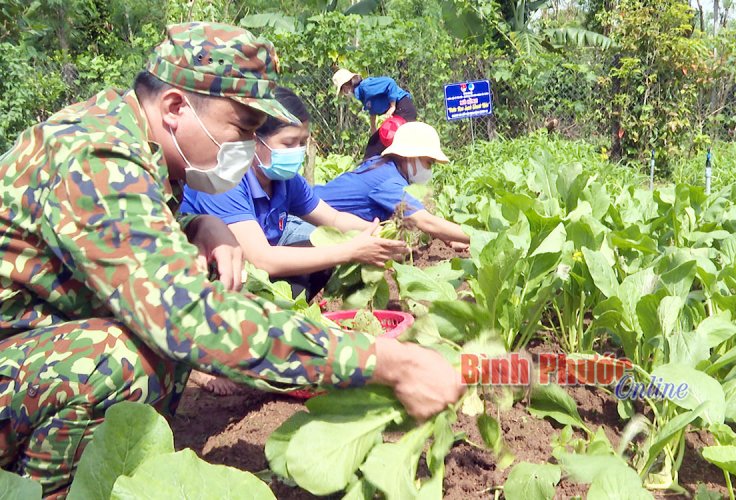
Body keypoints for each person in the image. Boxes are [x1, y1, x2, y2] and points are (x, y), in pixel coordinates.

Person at [0, 23, 463, 498]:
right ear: (177, 107)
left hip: (28, 347)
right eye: (241, 129)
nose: (246, 147)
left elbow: (110, 251)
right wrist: (384, 361)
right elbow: (186, 317)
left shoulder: (135, 141)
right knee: (113, 358)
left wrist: (198, 227)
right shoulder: (98, 155)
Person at [180, 87, 408, 394]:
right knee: (319, 256)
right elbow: (262, 258)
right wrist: (350, 251)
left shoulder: (286, 180)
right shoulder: (226, 180)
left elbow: (335, 220)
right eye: (289, 143)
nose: (297, 152)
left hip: (253, 273)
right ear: (254, 141)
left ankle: (269, 336)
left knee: (320, 251)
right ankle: (200, 359)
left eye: (302, 143)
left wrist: (374, 232)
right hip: (204, 274)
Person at [315, 121, 471, 250]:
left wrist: (449, 240)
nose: (430, 170)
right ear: (411, 156)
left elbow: (413, 219)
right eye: (429, 163)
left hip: (316, 218)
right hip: (306, 224)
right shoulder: (389, 181)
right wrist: (478, 237)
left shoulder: (383, 166)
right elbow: (425, 222)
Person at [332, 68, 417, 159]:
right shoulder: (361, 94)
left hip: (403, 108)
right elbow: (372, 108)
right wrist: (373, 127)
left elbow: (390, 83)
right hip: (398, 111)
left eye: (342, 90)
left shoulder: (366, 86)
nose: (344, 93)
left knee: (380, 147)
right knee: (373, 144)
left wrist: (392, 106)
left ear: (346, 86)